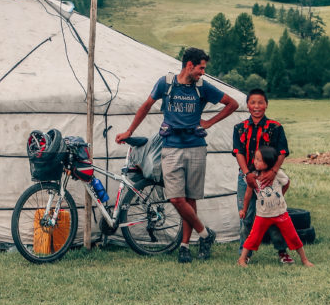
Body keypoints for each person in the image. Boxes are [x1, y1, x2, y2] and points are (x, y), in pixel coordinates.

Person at [116, 47, 239, 263]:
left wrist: (209, 122)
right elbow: (146, 105)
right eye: (201, 68)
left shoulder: (202, 87)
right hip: (171, 146)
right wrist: (129, 131)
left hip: (196, 146)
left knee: (190, 199)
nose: (203, 72)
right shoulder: (166, 83)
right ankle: (204, 234)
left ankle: (184, 246)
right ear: (189, 65)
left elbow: (233, 104)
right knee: (175, 198)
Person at [232, 89, 294, 264]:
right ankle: (245, 255)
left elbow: (282, 152)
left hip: (269, 177)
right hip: (247, 176)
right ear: (247, 105)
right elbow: (239, 152)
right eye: (253, 103)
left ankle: (282, 252)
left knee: (275, 215)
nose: (256, 106)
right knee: (247, 216)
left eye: (260, 102)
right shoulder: (240, 128)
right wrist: (247, 174)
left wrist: (272, 171)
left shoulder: (275, 127)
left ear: (266, 104)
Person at [237, 146, 312, 267]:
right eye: (255, 158)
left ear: (269, 161)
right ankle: (242, 259)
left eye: (259, 160)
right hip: (262, 215)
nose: (255, 161)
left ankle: (304, 260)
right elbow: (248, 194)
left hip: (281, 213)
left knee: (293, 236)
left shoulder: (277, 174)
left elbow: (286, 183)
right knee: (253, 237)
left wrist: (281, 195)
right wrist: (244, 210)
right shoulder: (253, 176)